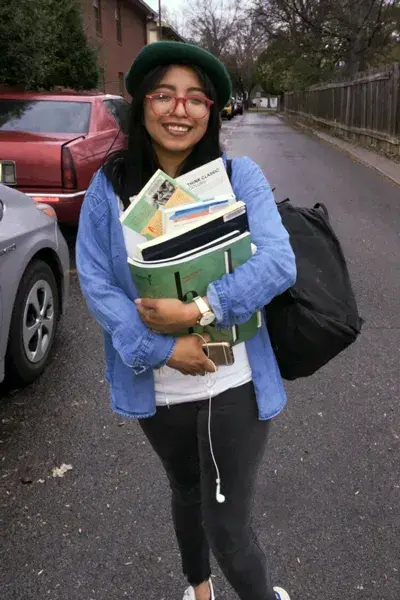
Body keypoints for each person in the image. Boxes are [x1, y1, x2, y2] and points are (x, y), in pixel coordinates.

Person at [76, 41, 296, 600]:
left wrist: (201, 308)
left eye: (196, 99)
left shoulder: (238, 176)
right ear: (142, 105)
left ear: (213, 110)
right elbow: (96, 282)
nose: (180, 110)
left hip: (235, 377)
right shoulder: (111, 184)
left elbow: (278, 261)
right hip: (160, 385)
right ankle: (199, 592)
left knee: (228, 525)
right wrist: (163, 350)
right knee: (185, 490)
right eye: (164, 95)